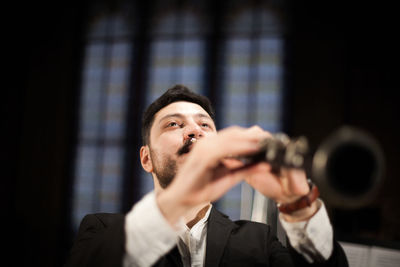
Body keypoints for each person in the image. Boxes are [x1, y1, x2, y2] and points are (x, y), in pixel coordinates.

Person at [65, 85, 348, 267]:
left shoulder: (259, 240)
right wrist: (180, 197)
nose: (194, 131)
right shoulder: (100, 228)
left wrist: (300, 207)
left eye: (204, 125)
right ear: (146, 159)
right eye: (174, 124)